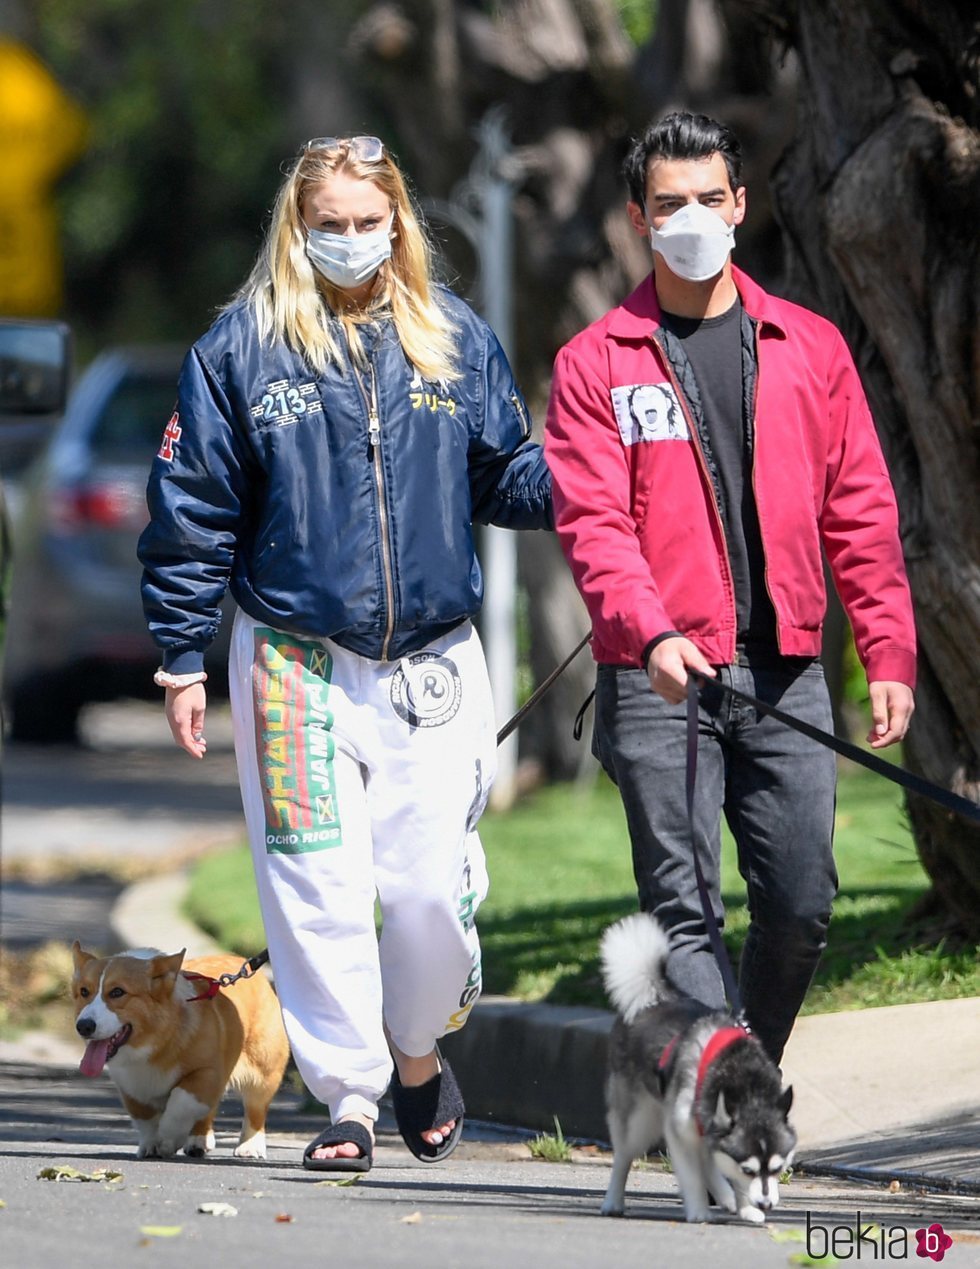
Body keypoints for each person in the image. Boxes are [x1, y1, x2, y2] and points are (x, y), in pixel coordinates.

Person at [138, 134, 552, 1172]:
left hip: (430, 659)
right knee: (313, 887)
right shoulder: (238, 350)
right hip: (288, 656)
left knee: (425, 893)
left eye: (371, 223)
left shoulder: (449, 335)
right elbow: (193, 509)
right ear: (298, 227)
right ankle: (352, 1097)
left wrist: (600, 477)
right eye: (332, 224)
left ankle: (416, 1048)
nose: (353, 241)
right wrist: (183, 655)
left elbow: (507, 474)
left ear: (400, 224)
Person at [545, 111, 915, 1064]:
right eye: (671, 204)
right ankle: (728, 1104)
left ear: (741, 205)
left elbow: (861, 509)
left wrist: (887, 647)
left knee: (802, 902)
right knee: (685, 906)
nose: (693, 218)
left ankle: (734, 1071)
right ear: (638, 217)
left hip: (787, 666)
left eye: (711, 198)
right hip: (660, 673)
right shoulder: (596, 361)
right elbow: (594, 521)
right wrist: (649, 629)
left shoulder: (810, 346)